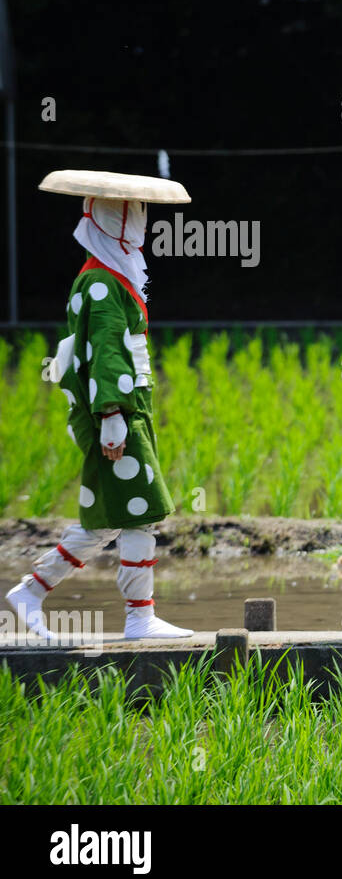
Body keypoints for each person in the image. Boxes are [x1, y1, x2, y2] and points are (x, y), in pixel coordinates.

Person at [5, 170, 193, 640]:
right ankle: (138, 618)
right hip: (117, 412)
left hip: (127, 410)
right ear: (109, 222)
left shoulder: (105, 276)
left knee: (115, 516)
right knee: (142, 509)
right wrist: (112, 416)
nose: (139, 227)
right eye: (131, 217)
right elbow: (106, 351)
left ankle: (32, 591)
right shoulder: (102, 284)